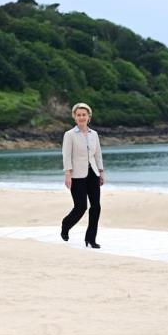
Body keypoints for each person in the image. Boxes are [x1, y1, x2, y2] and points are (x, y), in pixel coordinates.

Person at [60, 103, 105, 248]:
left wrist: (101, 171)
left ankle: (91, 239)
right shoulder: (69, 135)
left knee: (96, 207)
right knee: (80, 207)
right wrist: (68, 174)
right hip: (77, 175)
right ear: (75, 117)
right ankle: (66, 224)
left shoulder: (94, 134)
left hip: (93, 173)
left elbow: (98, 154)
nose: (81, 117)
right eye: (78, 115)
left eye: (84, 115)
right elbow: (66, 155)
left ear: (88, 117)